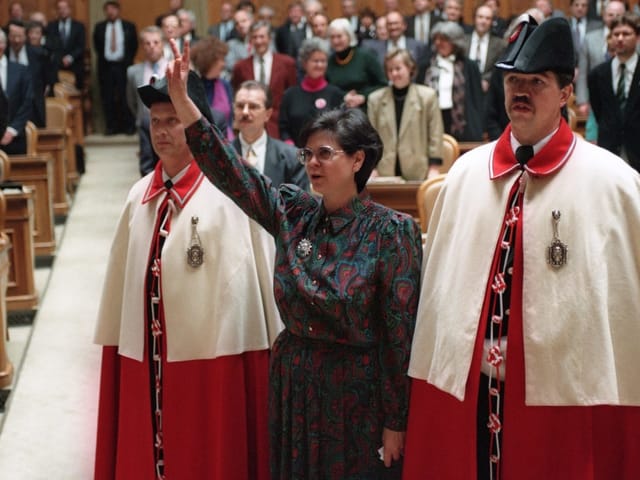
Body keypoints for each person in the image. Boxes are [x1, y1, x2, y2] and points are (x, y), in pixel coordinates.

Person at [165, 38, 422, 480]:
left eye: (326, 153)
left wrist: (397, 420)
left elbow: (401, 339)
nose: (313, 164)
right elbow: (232, 172)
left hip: (357, 395)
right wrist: (184, 105)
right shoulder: (293, 210)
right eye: (308, 154)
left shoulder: (391, 231)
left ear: (359, 159)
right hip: (295, 384)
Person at [403, 15, 640, 480]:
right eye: (513, 80)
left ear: (567, 93)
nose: (521, 92)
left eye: (537, 81)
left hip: (564, 408)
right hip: (472, 395)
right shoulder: (465, 176)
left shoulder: (615, 184)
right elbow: (439, 302)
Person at [94, 70, 282, 479]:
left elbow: (252, 300)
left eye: (173, 120)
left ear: (198, 125)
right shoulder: (138, 196)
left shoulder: (233, 196)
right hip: (149, 363)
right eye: (156, 122)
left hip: (213, 371)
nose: (161, 131)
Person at [368, 49, 444, 180]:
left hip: (419, 170)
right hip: (384, 171)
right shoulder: (375, 99)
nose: (394, 73)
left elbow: (435, 135)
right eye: (390, 70)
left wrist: (434, 168)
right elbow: (370, 138)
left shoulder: (427, 97)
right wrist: (371, 167)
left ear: (410, 68)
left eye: (398, 68)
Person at [233, 80, 308, 189]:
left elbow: (301, 205)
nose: (245, 112)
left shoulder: (292, 158)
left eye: (253, 107)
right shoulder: (221, 154)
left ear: (268, 114)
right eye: (240, 106)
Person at [588, 12, 640, 171]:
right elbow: (599, 112)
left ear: (637, 37)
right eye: (616, 34)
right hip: (609, 149)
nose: (620, 38)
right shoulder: (597, 74)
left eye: (626, 34)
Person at [418, 21, 484, 141]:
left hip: (460, 121)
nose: (438, 43)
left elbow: (477, 100)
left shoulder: (469, 66)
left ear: (455, 42)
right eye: (436, 39)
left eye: (443, 39)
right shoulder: (425, 66)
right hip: (433, 117)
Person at [231, 21, 298, 139]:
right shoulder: (240, 67)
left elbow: (292, 96)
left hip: (278, 127)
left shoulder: (287, 63)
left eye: (262, 37)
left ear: (270, 38)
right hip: (250, 125)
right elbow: (236, 95)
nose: (258, 41)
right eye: (254, 37)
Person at [279, 37, 344, 147]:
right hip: (296, 154)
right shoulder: (290, 95)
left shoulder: (335, 93)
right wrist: (290, 147)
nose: (319, 65)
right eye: (315, 61)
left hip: (327, 155)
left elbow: (340, 129)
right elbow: (283, 128)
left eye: (323, 61)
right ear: (304, 63)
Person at [126, 26, 167, 176]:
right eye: (147, 43)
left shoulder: (173, 67)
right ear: (142, 46)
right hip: (145, 126)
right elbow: (132, 101)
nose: (152, 47)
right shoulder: (133, 72)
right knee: (147, 167)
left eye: (156, 42)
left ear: (163, 44)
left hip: (170, 125)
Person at [93, 1, 138, 135]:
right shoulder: (99, 27)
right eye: (107, 9)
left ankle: (129, 126)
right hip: (106, 67)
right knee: (108, 97)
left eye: (113, 9)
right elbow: (97, 47)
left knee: (126, 96)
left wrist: (127, 60)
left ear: (118, 10)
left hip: (123, 66)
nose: (110, 12)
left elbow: (133, 46)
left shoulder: (129, 26)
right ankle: (111, 127)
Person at [326, 18, 387, 110]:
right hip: (339, 110)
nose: (335, 41)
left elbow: (383, 84)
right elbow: (327, 88)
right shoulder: (329, 61)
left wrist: (363, 96)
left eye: (339, 36)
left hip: (367, 109)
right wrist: (343, 97)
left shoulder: (366, 56)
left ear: (349, 36)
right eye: (332, 37)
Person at [7, 19, 54, 128]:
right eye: (13, 36)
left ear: (25, 36)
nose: (17, 40)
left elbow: (46, 81)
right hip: (7, 111)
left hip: (33, 110)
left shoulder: (39, 55)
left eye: (20, 36)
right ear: (8, 37)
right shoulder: (3, 55)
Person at [190, 36, 235, 140]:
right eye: (222, 59)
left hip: (227, 140)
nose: (224, 64)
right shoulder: (194, 86)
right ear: (210, 61)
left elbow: (231, 119)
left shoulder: (225, 85)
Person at [0, 28, 33, 156]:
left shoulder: (21, 70)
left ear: (3, 45)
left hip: (15, 136)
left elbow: (27, 102)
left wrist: (12, 130)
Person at [463, 4, 507, 93]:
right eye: (480, 17)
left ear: (492, 22)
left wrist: (487, 80)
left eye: (488, 18)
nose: (483, 21)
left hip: (488, 92)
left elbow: (499, 68)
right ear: (474, 18)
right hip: (464, 90)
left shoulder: (500, 44)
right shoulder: (463, 41)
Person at [46, 0, 86, 90]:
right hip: (56, 66)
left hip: (75, 66)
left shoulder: (79, 26)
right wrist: (59, 58)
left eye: (65, 8)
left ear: (69, 10)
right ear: (57, 10)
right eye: (60, 8)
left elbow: (81, 46)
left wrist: (70, 57)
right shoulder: (51, 26)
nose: (62, 10)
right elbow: (49, 45)